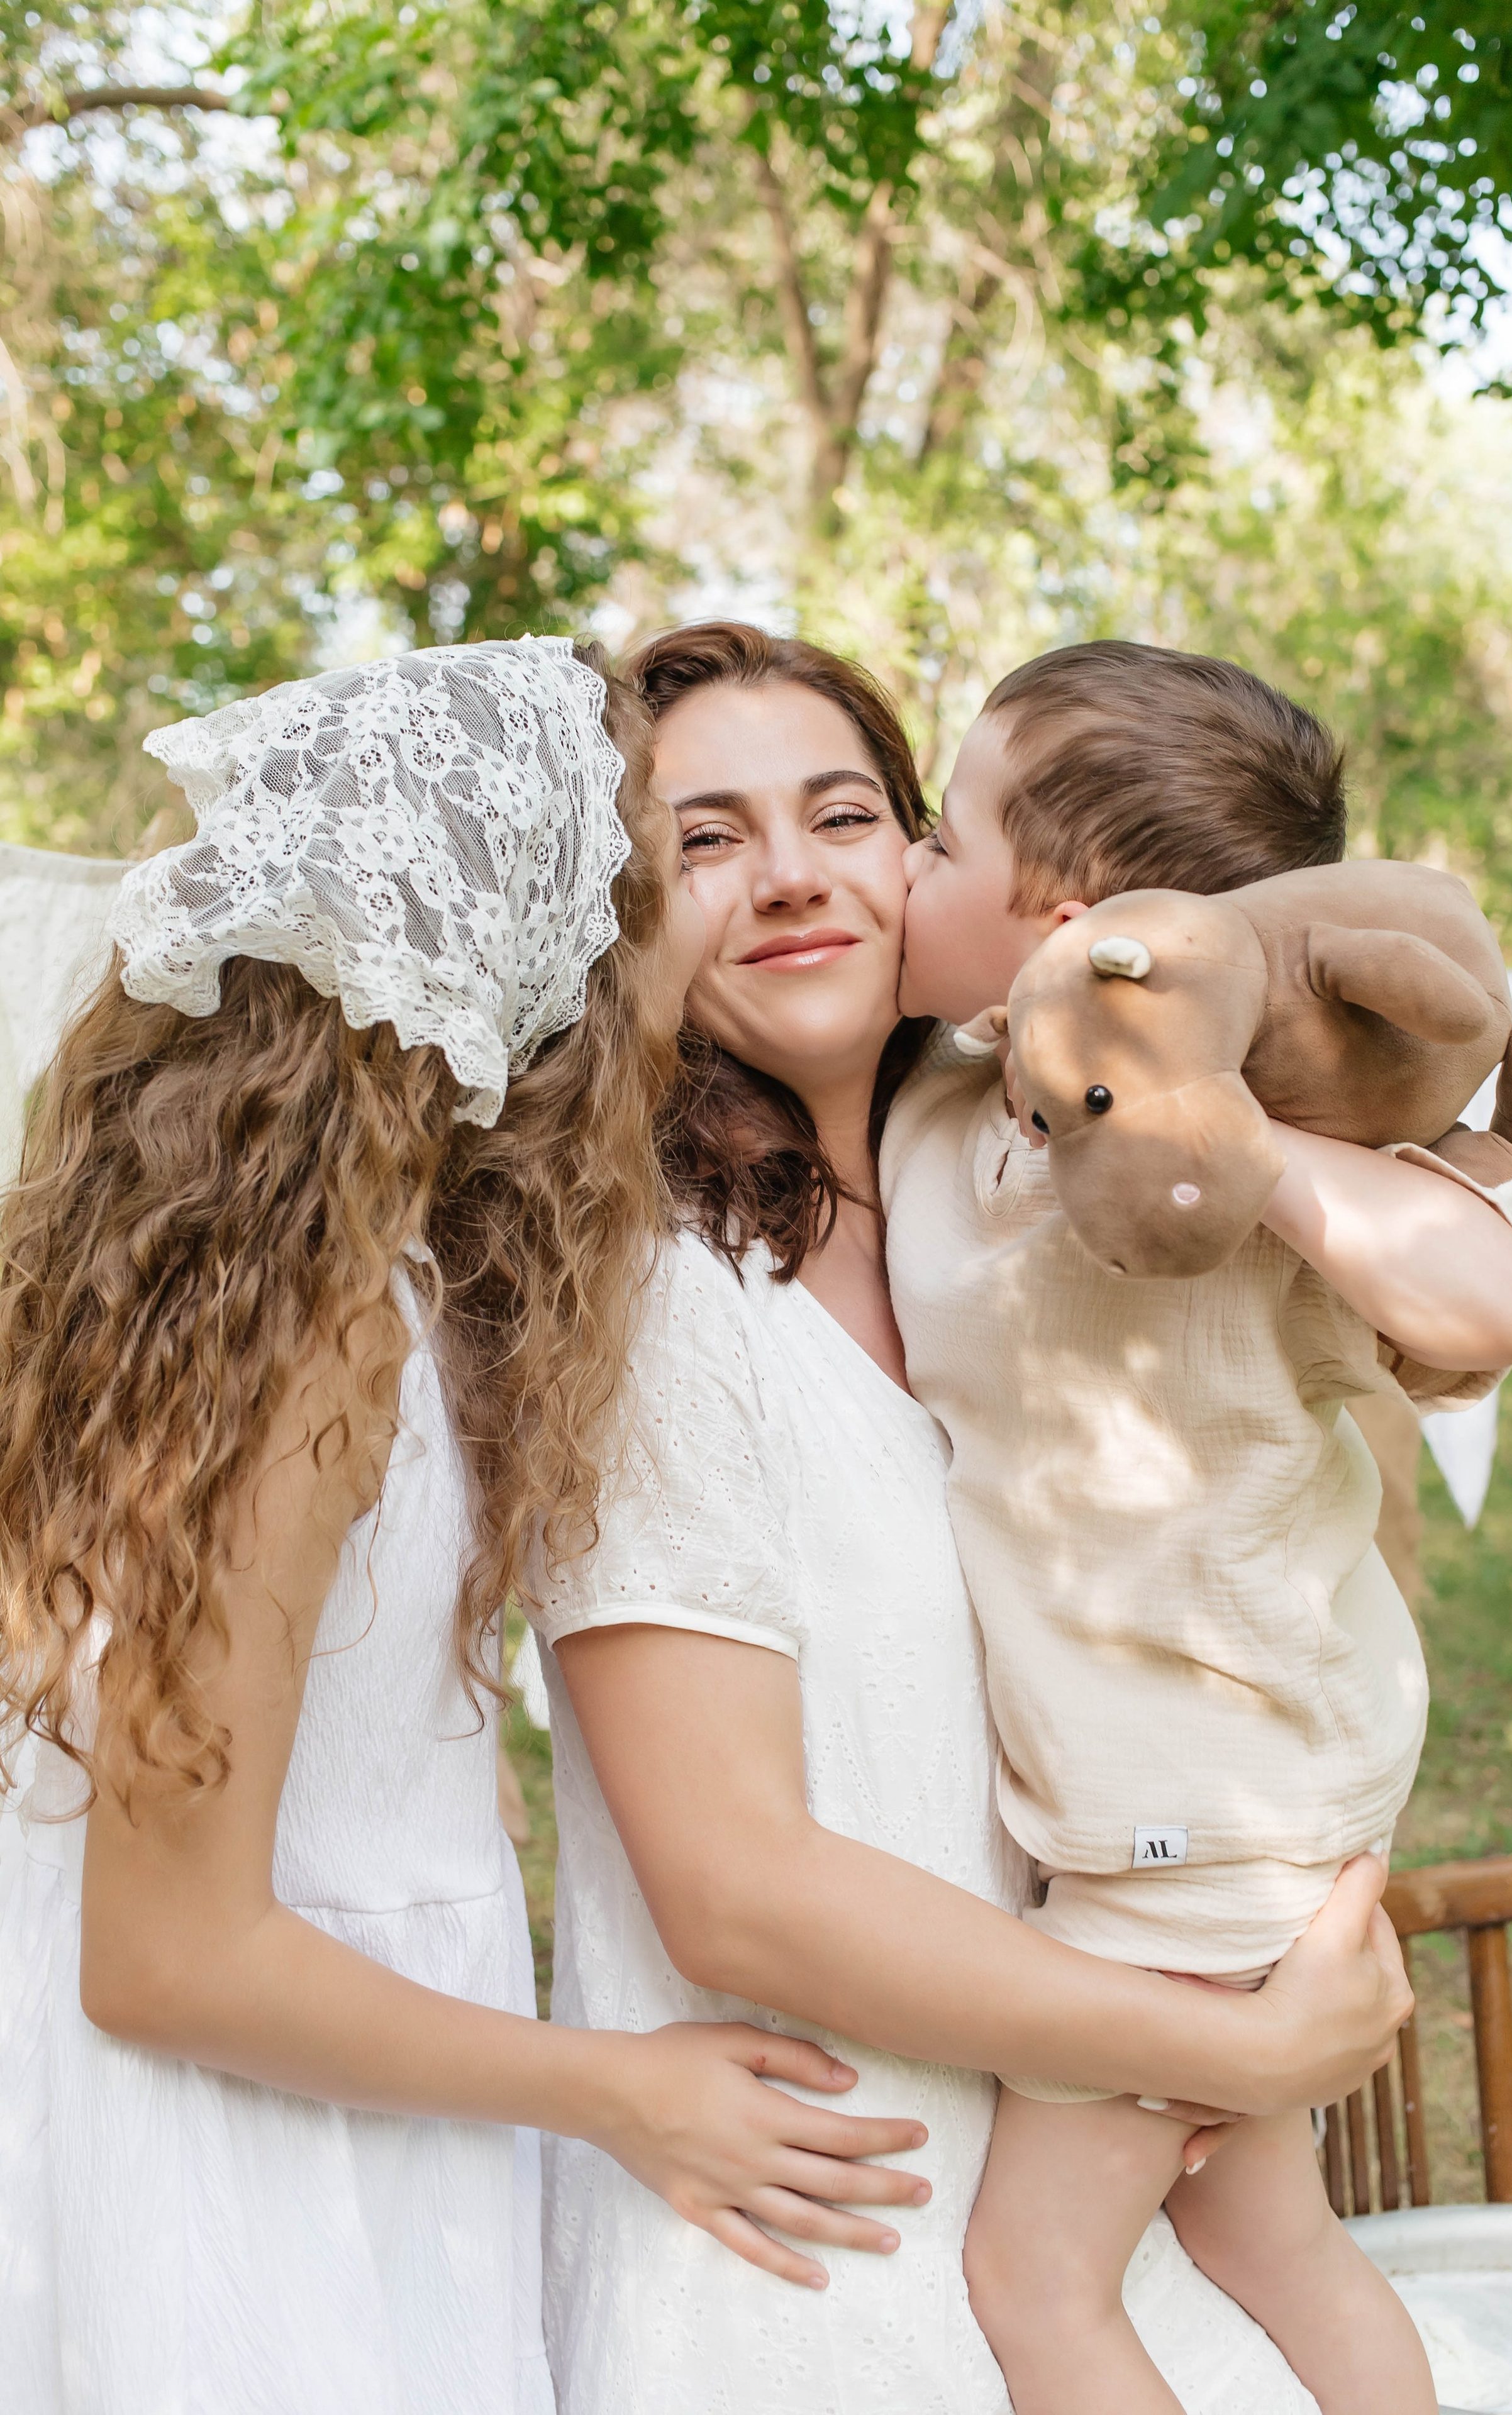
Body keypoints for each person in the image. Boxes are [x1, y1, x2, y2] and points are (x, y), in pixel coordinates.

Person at [0, 638, 934, 2415]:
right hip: (253, 2174)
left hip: (361, 2090)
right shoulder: (315, 1326)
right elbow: (167, 1956)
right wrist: (622, 2091)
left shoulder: (352, 1285)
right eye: (644, 889)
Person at [530, 621, 1426, 2415]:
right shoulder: (646, 1293)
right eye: (703, 840)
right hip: (824, 2218)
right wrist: (1240, 2043)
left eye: (844, 814)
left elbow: (1284, 1546)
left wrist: (1271, 1922)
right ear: (615, 910)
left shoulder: (1037, 1186)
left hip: (1121, 2131)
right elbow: (738, 1897)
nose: (792, 877)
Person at [888, 639, 1512, 2415]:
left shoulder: (1241, 1177)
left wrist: (1229, 1136)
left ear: (1075, 928)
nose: (904, 867)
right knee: (1275, 2241)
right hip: (1173, 1824)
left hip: (1209, 1834)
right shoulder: (943, 1100)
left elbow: (1490, 1303)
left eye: (939, 838)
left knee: (1037, 2283)